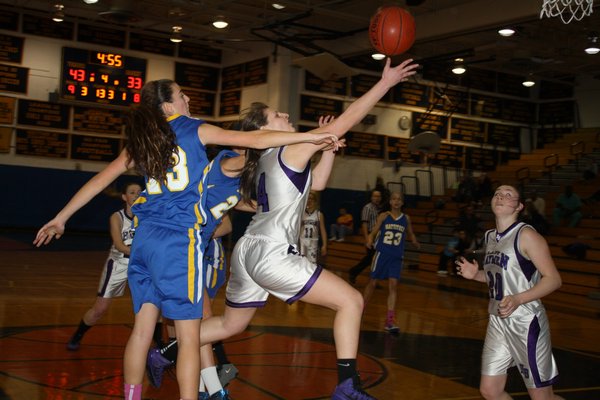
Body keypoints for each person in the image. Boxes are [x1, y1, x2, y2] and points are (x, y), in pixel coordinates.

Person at [33, 79, 341, 400]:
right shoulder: (194, 129)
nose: (188, 97)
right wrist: (310, 136)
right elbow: (253, 138)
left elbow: (101, 179)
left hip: (145, 239)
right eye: (181, 95)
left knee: (142, 331)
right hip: (179, 242)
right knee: (189, 337)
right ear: (168, 105)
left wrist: (61, 217)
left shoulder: (144, 139)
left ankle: (132, 396)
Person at [198, 57, 419, 400]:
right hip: (271, 250)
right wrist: (385, 84)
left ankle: (166, 349)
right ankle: (347, 386)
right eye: (278, 116)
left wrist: (329, 151)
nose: (286, 116)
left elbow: (315, 184)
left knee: (231, 325)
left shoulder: (263, 160)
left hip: (246, 249)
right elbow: (343, 123)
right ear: (263, 129)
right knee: (351, 301)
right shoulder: (289, 148)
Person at [456, 185, 564, 400]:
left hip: (525, 321)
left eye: (508, 195)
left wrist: (518, 299)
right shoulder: (490, 236)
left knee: (541, 396)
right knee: (490, 390)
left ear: (519, 206)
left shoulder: (527, 236)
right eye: (497, 193)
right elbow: (500, 278)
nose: (501, 197)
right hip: (498, 321)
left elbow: (554, 280)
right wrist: (476, 274)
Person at [66, 181, 143, 351]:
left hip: (141, 265)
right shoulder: (117, 217)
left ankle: (161, 347)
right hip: (119, 263)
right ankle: (78, 334)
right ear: (124, 197)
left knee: (152, 307)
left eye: (139, 191)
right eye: (132, 192)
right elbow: (119, 244)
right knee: (99, 309)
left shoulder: (147, 216)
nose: (137, 194)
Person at [362, 191, 419, 333]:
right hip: (382, 254)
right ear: (390, 201)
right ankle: (359, 308)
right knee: (373, 282)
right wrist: (369, 239)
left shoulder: (406, 218)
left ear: (403, 202)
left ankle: (389, 320)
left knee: (393, 285)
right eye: (394, 199)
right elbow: (374, 232)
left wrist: (414, 241)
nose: (396, 201)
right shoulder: (384, 216)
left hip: (397, 257)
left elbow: (410, 232)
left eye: (399, 199)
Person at [347, 189, 383, 284]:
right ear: (371, 197)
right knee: (370, 258)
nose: (377, 198)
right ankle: (354, 271)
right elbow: (364, 224)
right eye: (375, 196)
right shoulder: (367, 208)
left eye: (378, 196)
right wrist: (367, 238)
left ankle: (372, 279)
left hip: (379, 236)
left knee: (374, 259)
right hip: (371, 235)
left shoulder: (379, 209)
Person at [300, 191, 328, 264]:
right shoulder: (301, 213)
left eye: (311, 199)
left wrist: (324, 245)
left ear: (315, 201)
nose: (309, 201)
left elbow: (323, 231)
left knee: (312, 264)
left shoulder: (319, 214)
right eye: (308, 199)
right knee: (301, 263)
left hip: (313, 241)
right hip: (302, 241)